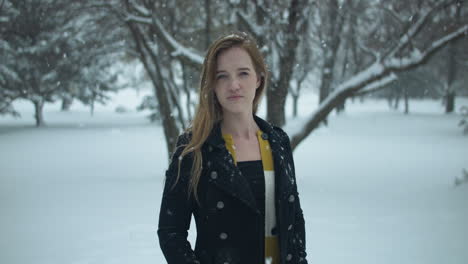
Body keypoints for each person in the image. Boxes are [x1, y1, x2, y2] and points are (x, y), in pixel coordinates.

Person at [158, 32, 308, 264]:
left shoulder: (278, 142)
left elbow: (294, 219)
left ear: (259, 78)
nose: (234, 85)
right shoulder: (193, 149)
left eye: (243, 73)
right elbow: (171, 232)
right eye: (222, 76)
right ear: (213, 85)